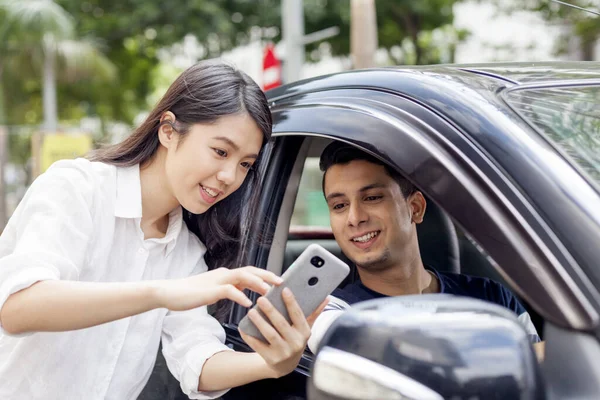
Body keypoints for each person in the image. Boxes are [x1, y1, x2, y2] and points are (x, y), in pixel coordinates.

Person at [0, 61, 326, 400]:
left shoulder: (186, 252)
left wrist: (272, 365)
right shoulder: (77, 188)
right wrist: (161, 292)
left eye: (245, 164)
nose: (230, 176)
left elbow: (197, 360)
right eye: (220, 151)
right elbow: (18, 307)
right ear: (168, 130)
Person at [308, 141, 543, 358]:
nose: (354, 218)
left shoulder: (493, 297)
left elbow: (548, 374)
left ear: (416, 208)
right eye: (339, 206)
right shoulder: (332, 311)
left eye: (372, 198)